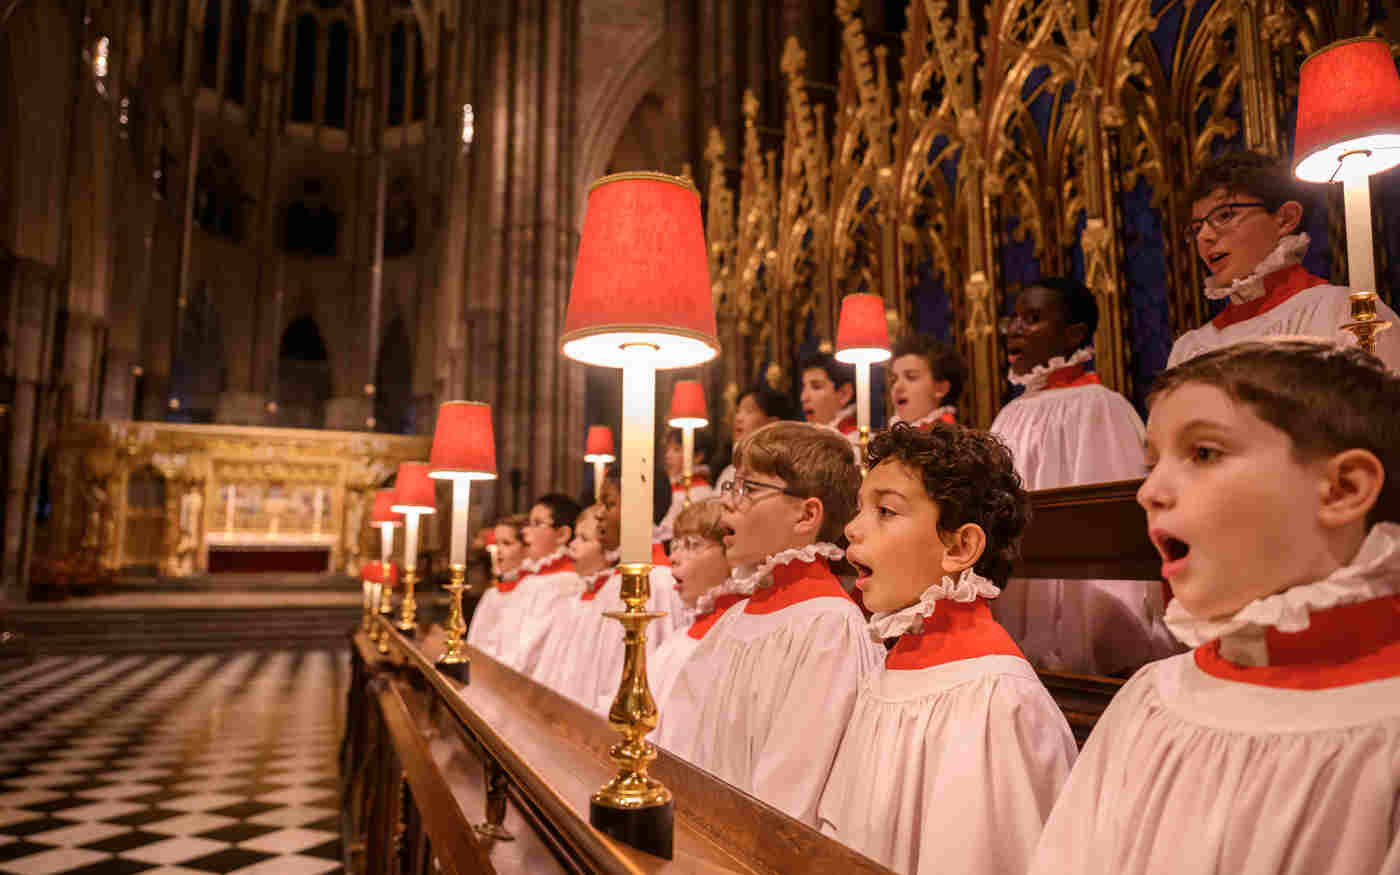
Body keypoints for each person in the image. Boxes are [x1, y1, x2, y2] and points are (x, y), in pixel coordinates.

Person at [1029, 339, 1400, 875]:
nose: (1149, 491)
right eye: (1152, 462)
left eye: (1203, 453)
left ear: (1342, 488)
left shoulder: (1383, 730)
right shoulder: (1153, 699)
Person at [817, 423, 1076, 875]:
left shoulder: (996, 702)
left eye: (886, 511)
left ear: (960, 546)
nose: (852, 529)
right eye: (860, 508)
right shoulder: (891, 670)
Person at [659, 421, 883, 826]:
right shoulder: (734, 618)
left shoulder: (829, 625)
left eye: (750, 489)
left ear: (806, 515)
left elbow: (792, 791)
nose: (728, 503)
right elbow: (683, 739)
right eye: (731, 486)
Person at [991, 277, 1180, 675]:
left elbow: (1111, 518)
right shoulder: (1011, 413)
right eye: (1015, 318)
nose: (1015, 329)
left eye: (1034, 318)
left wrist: (1104, 630)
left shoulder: (1099, 408)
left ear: (1073, 333)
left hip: (1081, 597)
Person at [1168, 150, 1400, 369]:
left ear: (1285, 219)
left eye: (1225, 215)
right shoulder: (1191, 350)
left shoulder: (1342, 314)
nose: (1205, 237)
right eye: (1196, 228)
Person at [649, 498, 741, 711]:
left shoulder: (732, 640)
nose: (674, 557)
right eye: (675, 545)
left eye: (691, 545)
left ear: (730, 550)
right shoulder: (681, 636)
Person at [490, 494, 580, 671]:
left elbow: (535, 651)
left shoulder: (567, 583)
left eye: (537, 523)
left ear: (562, 534)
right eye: (528, 523)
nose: (525, 532)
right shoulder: (530, 580)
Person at [715, 383, 797, 493]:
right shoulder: (729, 472)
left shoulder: (778, 474)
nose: (738, 418)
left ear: (773, 422)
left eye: (749, 411)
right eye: (738, 411)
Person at [465, 514, 526, 658]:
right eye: (496, 543)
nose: (498, 550)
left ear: (527, 547)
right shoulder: (492, 594)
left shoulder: (529, 593)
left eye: (506, 543)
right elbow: (475, 643)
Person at [887, 334, 966, 428]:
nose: (897, 387)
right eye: (894, 380)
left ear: (941, 388)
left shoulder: (948, 437)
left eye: (911, 377)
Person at [654, 427, 717, 543]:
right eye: (667, 450)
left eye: (676, 450)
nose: (668, 456)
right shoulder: (669, 486)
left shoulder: (702, 493)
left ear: (698, 456)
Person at [800, 351, 857, 439]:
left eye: (816, 386)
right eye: (804, 387)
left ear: (844, 394)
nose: (803, 398)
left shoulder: (853, 441)